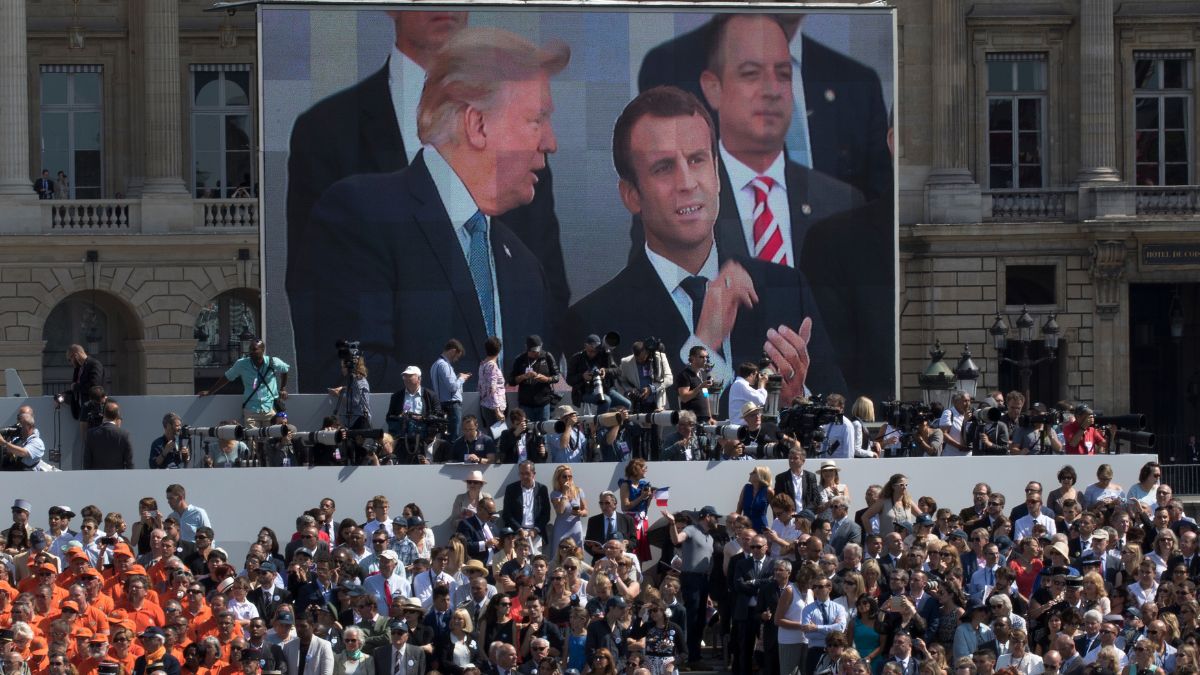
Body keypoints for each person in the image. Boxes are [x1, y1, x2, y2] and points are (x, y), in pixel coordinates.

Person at [290, 28, 570, 394]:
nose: (551, 142)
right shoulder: (359, 214)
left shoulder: (524, 266)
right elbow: (346, 375)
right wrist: (483, 398)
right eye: (537, 119)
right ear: (478, 124)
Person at [566, 85, 846, 417]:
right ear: (631, 195)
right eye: (663, 167)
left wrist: (797, 397)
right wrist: (704, 342)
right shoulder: (595, 322)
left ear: (716, 173)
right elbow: (617, 430)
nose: (687, 183)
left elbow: (841, 414)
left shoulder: (786, 290)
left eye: (697, 160)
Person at [660, 504, 719, 669]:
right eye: (715, 517)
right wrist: (672, 524)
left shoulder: (710, 537)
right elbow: (676, 540)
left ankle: (694, 657)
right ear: (707, 516)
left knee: (700, 620)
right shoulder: (692, 529)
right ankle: (684, 657)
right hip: (691, 578)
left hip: (703, 580)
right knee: (691, 618)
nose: (717, 520)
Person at [198, 338, 289, 439]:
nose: (251, 352)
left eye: (254, 349)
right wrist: (210, 391)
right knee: (252, 442)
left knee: (271, 440)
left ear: (262, 350)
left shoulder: (272, 362)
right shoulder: (242, 364)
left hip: (270, 409)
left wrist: (283, 388)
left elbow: (285, 369)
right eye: (250, 349)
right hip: (251, 410)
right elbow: (227, 377)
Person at [509, 335, 560, 424]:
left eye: (537, 351)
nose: (536, 353)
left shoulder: (547, 356)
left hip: (543, 403)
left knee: (543, 432)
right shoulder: (520, 359)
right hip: (526, 404)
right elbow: (511, 381)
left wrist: (546, 379)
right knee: (528, 432)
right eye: (533, 351)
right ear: (527, 348)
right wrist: (523, 376)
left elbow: (557, 376)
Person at [583, 493, 635, 562]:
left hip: (621, 561)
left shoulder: (627, 520)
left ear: (615, 504)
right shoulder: (593, 521)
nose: (603, 506)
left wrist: (626, 543)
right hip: (600, 561)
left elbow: (634, 541)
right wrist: (593, 550)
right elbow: (587, 544)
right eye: (601, 503)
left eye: (607, 503)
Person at [83, 401, 134, 470]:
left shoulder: (91, 434)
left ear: (104, 415)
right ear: (117, 416)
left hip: (96, 478)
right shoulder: (124, 434)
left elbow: (87, 461)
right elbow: (129, 462)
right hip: (117, 477)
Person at [550, 465, 588, 550]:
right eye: (564, 476)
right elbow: (560, 510)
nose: (568, 479)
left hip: (575, 527)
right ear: (558, 478)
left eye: (570, 476)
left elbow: (586, 511)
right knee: (560, 553)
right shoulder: (555, 493)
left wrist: (580, 513)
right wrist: (564, 492)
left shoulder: (578, 491)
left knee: (576, 553)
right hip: (561, 527)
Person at [328, 358, 372, 431]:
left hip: (359, 419)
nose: (342, 369)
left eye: (343, 367)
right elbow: (356, 391)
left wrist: (338, 395)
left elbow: (354, 402)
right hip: (355, 419)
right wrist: (342, 388)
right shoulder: (355, 380)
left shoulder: (358, 380)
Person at [67, 344, 104, 426]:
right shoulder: (79, 369)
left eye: (70, 359)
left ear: (76, 355)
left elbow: (94, 386)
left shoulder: (94, 364)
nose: (70, 362)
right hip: (82, 411)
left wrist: (76, 386)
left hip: (93, 411)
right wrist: (63, 394)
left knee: (91, 436)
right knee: (83, 437)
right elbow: (76, 388)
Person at [477, 337, 507, 436]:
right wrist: (497, 410)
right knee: (497, 438)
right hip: (494, 408)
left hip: (485, 405)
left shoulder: (482, 364)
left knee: (492, 437)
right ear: (499, 350)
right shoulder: (492, 366)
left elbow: (481, 387)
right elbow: (492, 388)